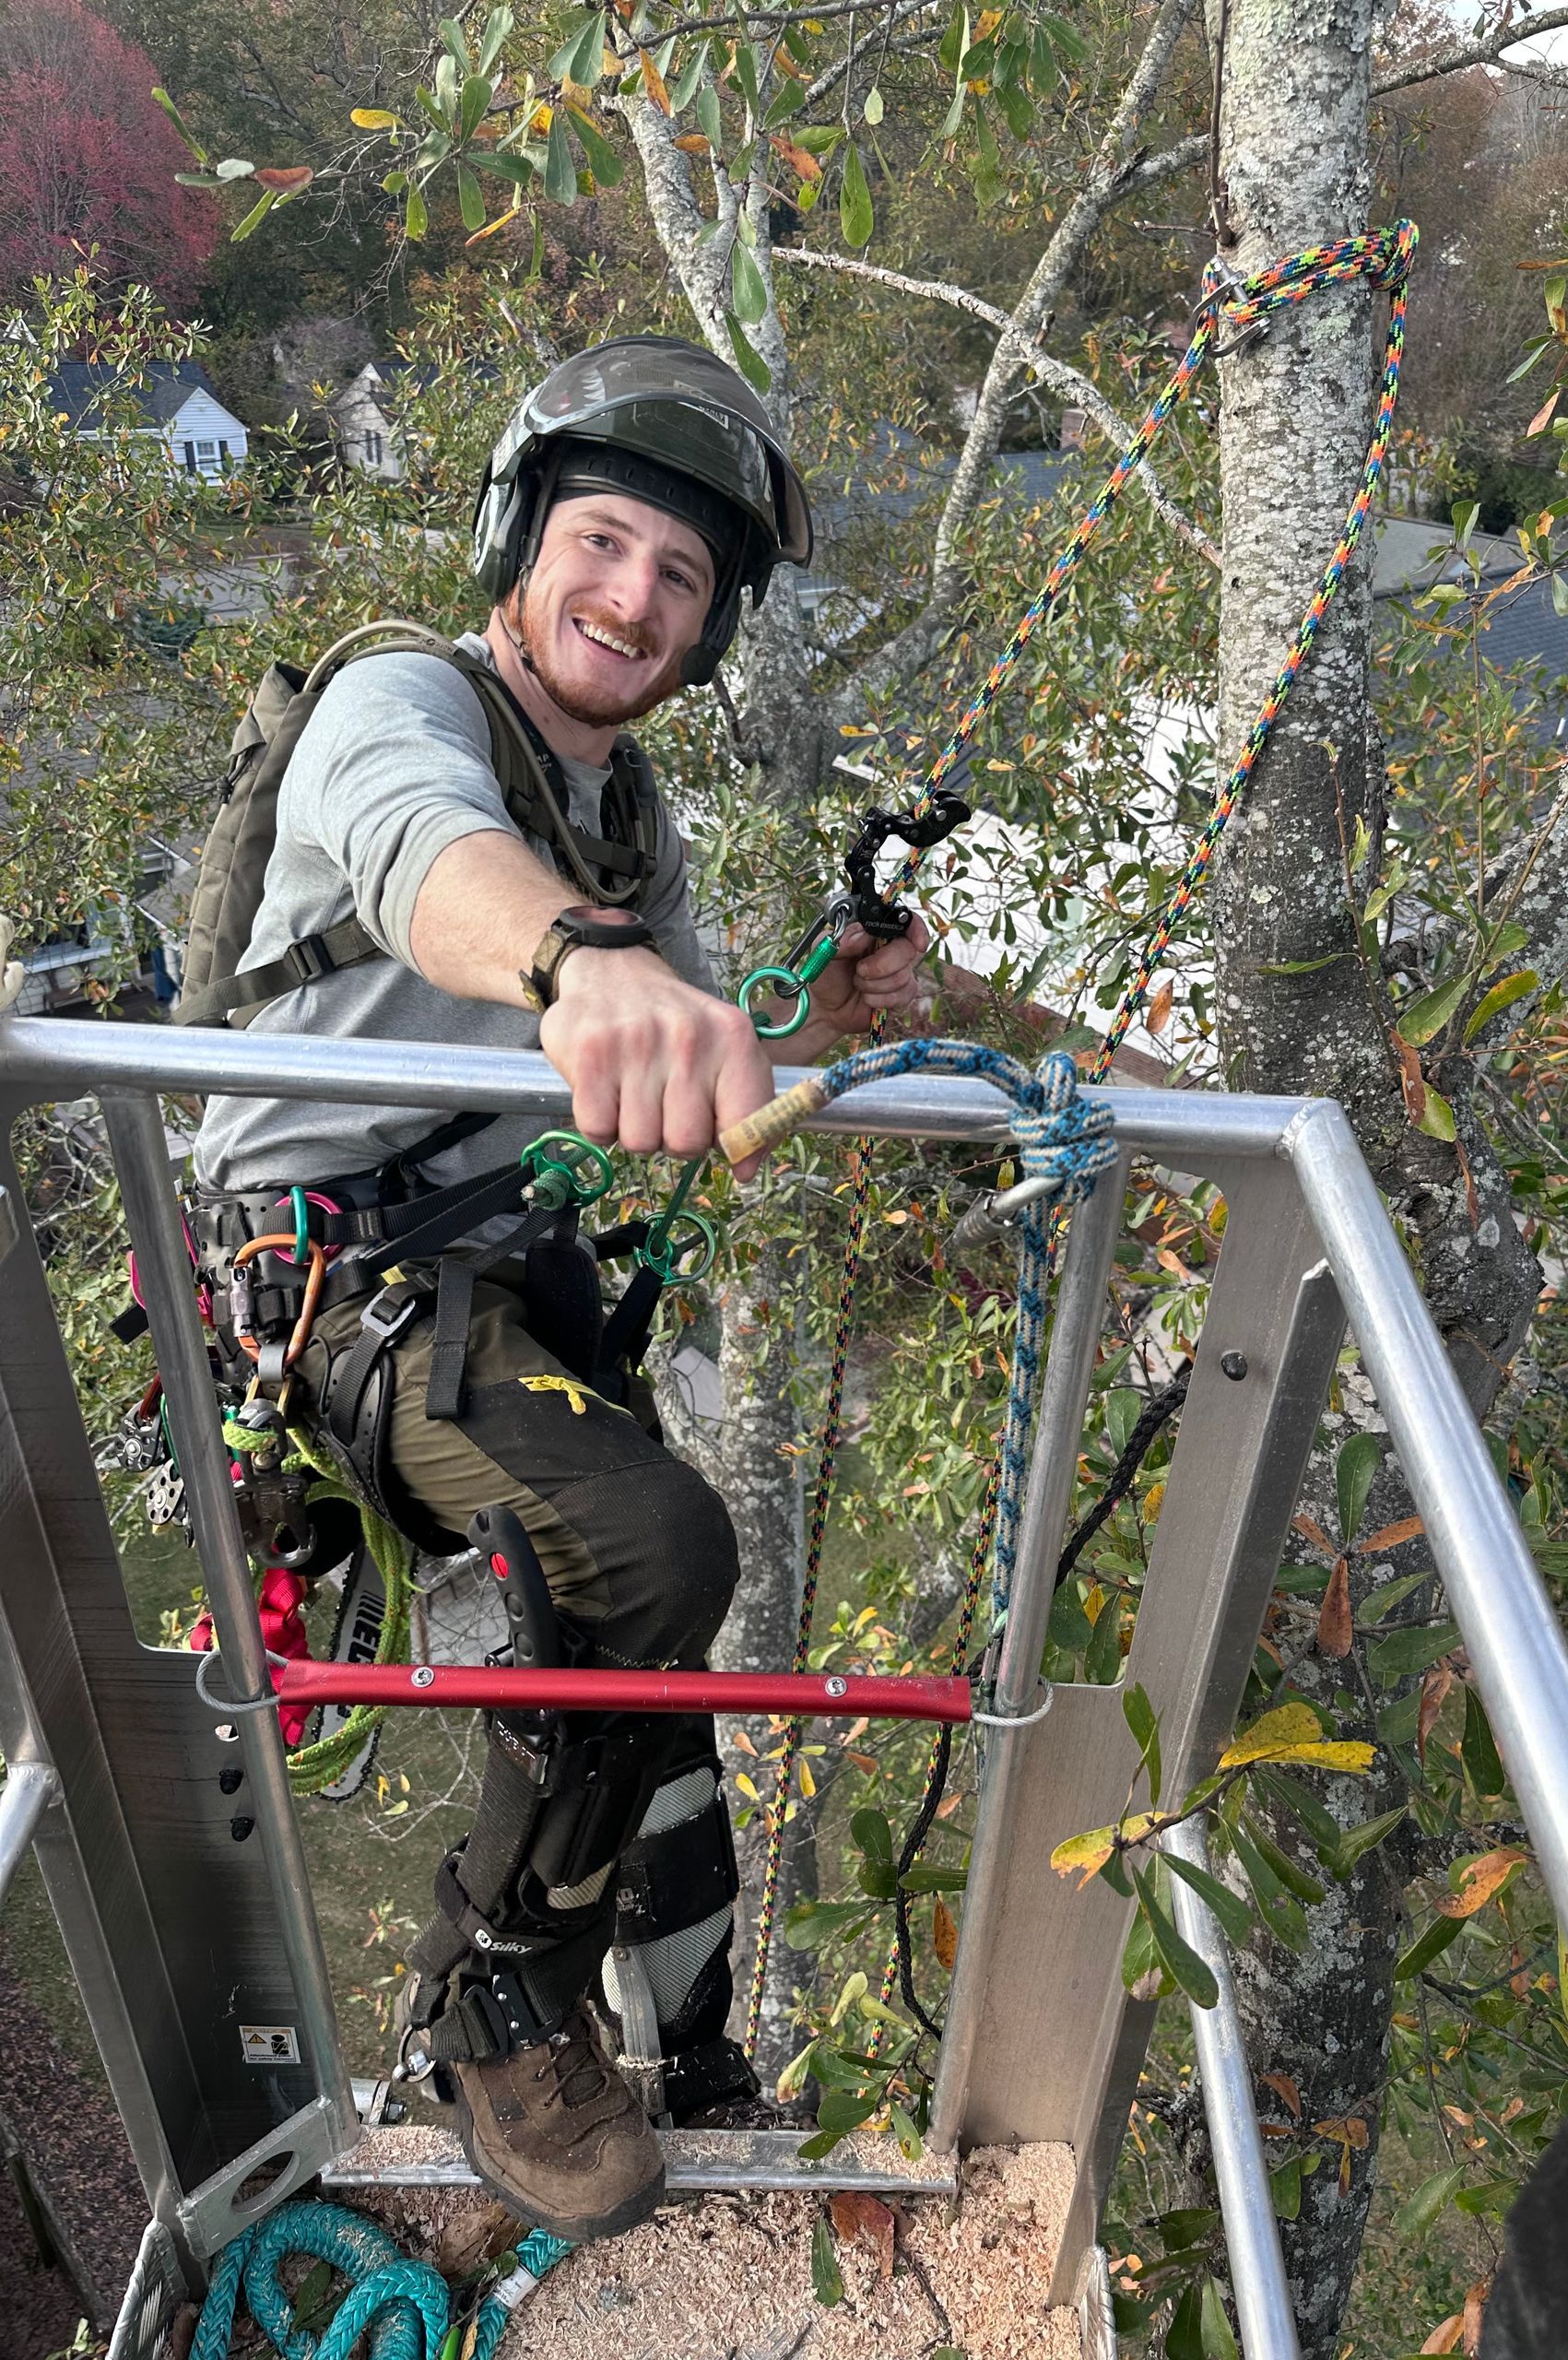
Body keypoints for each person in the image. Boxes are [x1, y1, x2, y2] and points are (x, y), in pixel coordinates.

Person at [188, 337, 928, 2240]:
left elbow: (671, 1036)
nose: (635, 597)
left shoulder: (625, 817)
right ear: (522, 542)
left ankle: (687, 2049)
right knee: (652, 1551)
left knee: (650, 1664)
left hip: (490, 1260)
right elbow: (435, 860)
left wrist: (802, 1011)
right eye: (604, 543)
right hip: (326, 1261)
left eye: (682, 577)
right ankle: (495, 1987)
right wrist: (576, 966)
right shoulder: (398, 701)